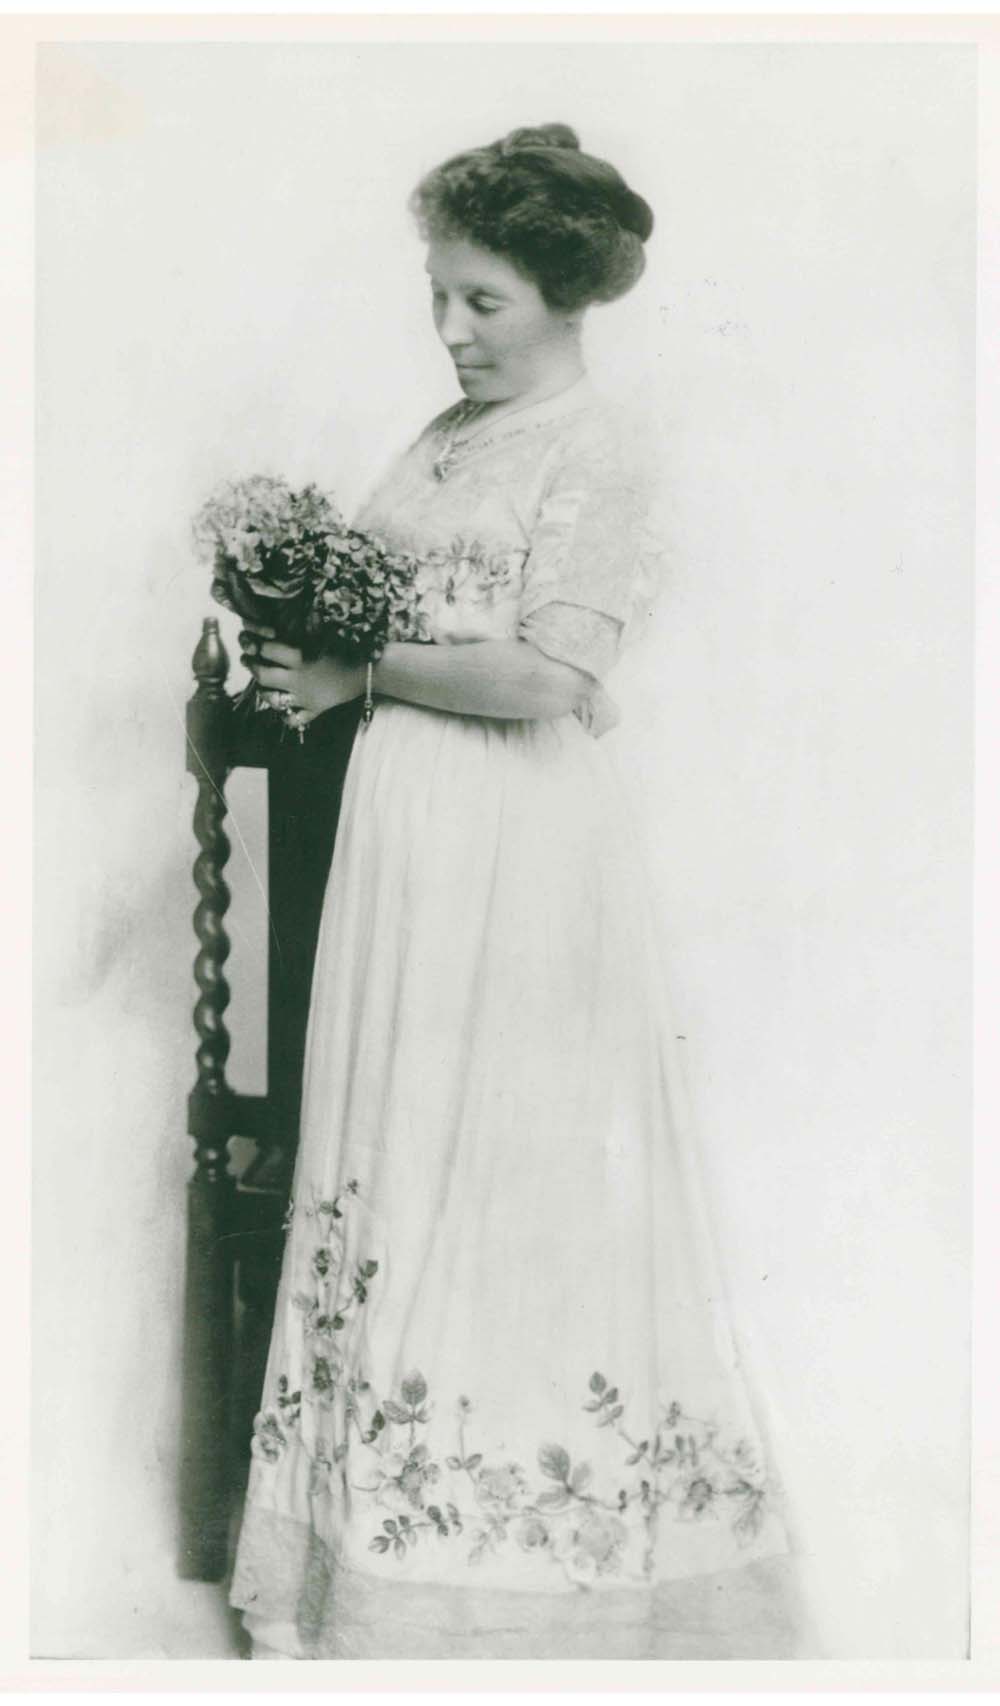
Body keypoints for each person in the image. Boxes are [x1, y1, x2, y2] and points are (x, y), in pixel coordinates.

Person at [228, 122, 810, 1660]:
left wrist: (363, 667)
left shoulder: (600, 447)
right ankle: (371, 1545)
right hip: (406, 827)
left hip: (522, 844)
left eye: (483, 302)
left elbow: (559, 671)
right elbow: (371, 585)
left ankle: (524, 1576)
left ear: (563, 291)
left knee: (512, 1164)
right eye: (441, 297)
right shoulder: (439, 435)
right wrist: (305, 636)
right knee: (401, 1148)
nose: (453, 331)